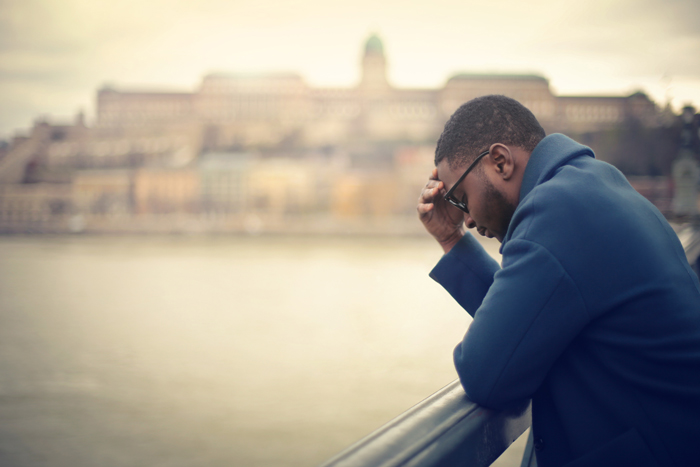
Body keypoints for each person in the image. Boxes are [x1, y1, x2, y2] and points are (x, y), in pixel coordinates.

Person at [417, 95, 700, 467]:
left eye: (461, 197)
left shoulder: (556, 211)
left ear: (499, 161)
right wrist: (452, 240)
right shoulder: (590, 185)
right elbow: (529, 320)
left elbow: (486, 373)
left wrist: (455, 241)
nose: (466, 218)